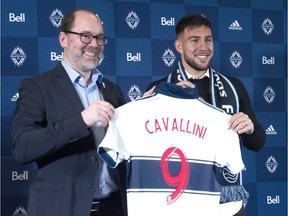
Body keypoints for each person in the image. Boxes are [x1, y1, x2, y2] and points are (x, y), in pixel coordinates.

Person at [146, 14, 266, 216]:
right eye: (194, 40)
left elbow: (258, 143)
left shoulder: (234, 87)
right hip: (179, 201)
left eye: (208, 40)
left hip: (227, 204)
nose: (204, 47)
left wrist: (250, 128)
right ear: (178, 46)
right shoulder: (159, 89)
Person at [12, 9, 127, 216]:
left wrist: (146, 107)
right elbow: (22, 148)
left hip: (113, 208)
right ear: (63, 39)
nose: (94, 44)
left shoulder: (112, 90)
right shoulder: (37, 87)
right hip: (60, 209)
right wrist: (82, 120)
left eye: (100, 38)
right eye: (85, 36)